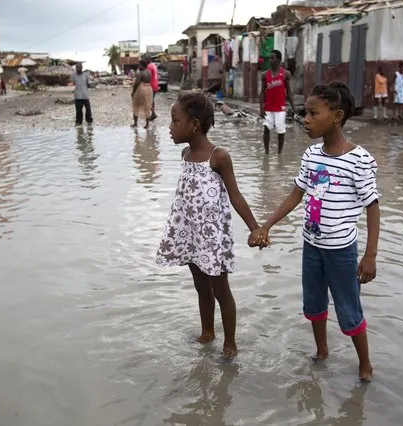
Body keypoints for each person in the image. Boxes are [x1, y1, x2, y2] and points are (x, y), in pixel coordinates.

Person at [249, 82, 380, 382]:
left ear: (336, 117)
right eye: (305, 112)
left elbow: (373, 208)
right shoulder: (311, 155)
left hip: (342, 252)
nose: (305, 119)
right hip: (312, 246)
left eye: (312, 113)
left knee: (349, 310)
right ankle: (321, 350)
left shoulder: (358, 160)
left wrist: (370, 256)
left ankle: (365, 364)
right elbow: (297, 194)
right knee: (314, 304)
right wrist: (266, 225)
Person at [155, 93, 261, 358]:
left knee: (220, 290)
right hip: (190, 234)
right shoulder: (185, 153)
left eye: (175, 120)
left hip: (212, 238)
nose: (170, 127)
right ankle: (207, 333)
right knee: (201, 286)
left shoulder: (219, 157)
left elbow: (235, 196)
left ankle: (230, 344)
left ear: (195, 124)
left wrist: (255, 228)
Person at [260, 50, 296, 155]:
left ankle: (279, 153)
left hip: (280, 108)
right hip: (268, 107)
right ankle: (266, 152)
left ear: (279, 60)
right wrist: (261, 108)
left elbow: (289, 91)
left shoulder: (285, 74)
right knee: (266, 128)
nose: (270, 60)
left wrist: (293, 107)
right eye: (269, 58)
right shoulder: (264, 75)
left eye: (272, 58)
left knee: (280, 131)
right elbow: (262, 93)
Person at [131, 60, 153, 129]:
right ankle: (147, 124)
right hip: (149, 88)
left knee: (136, 105)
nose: (138, 66)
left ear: (143, 65)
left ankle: (135, 123)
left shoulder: (140, 73)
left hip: (141, 89)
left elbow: (137, 83)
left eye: (139, 65)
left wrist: (133, 92)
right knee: (147, 106)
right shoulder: (149, 72)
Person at [145, 56, 159, 120]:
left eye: (146, 59)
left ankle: (153, 113)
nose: (145, 61)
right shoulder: (154, 65)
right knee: (151, 100)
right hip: (155, 84)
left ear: (149, 59)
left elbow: (148, 76)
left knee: (149, 100)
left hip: (151, 85)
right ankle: (153, 113)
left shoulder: (149, 66)